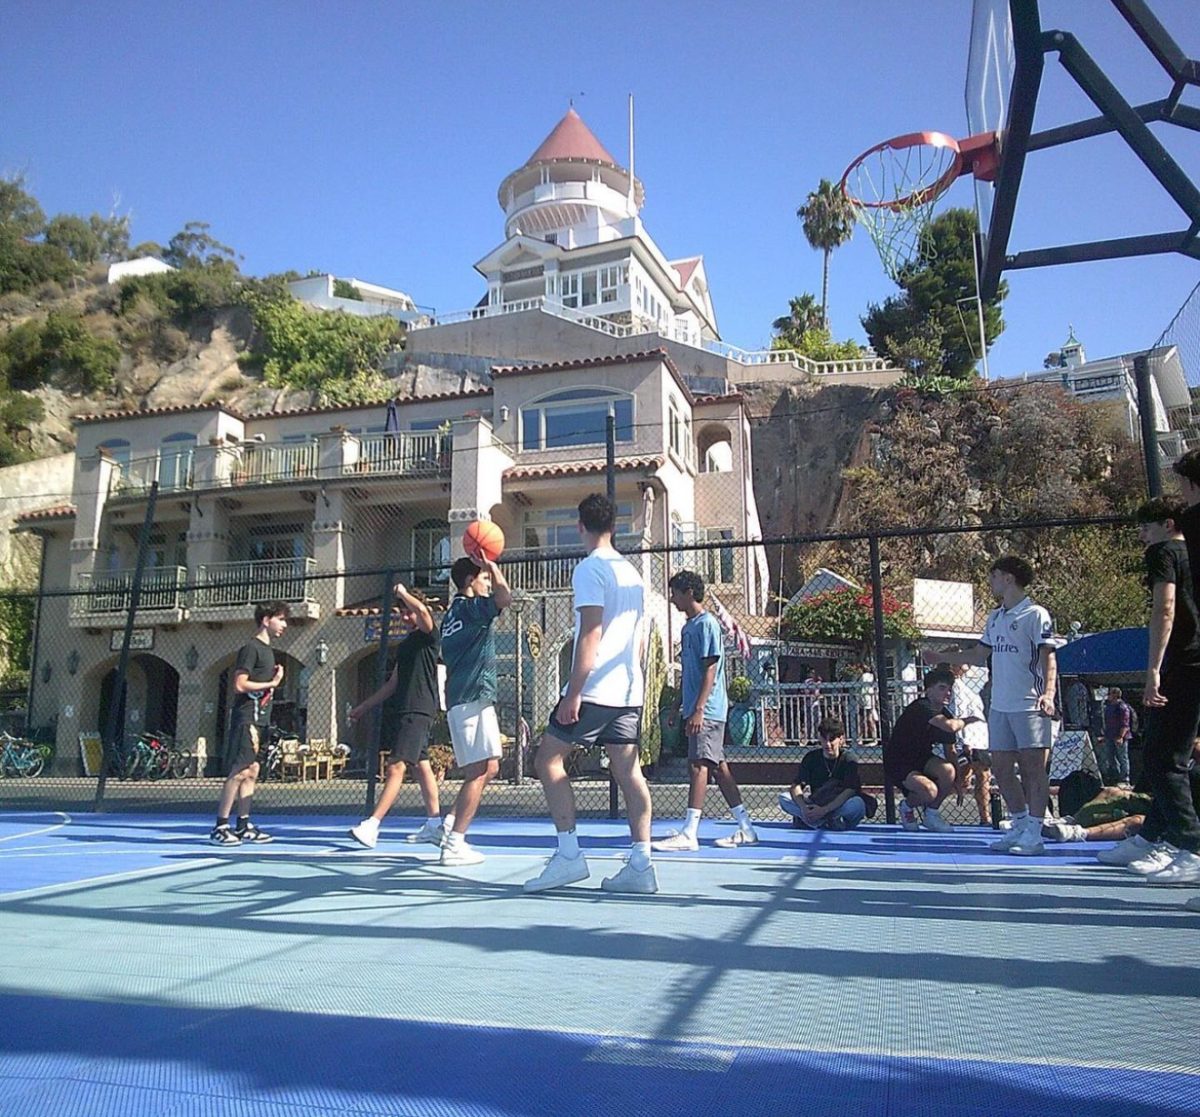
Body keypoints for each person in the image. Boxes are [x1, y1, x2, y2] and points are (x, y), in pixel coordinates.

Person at [523, 493, 656, 894]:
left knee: (547, 760)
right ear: (613, 526)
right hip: (629, 689)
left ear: (580, 526)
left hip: (595, 688)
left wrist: (573, 693)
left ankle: (568, 855)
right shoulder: (632, 573)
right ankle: (641, 864)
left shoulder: (588, 569)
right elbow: (640, 638)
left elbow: (590, 635)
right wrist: (637, 684)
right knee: (629, 772)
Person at [1099, 495, 1200, 886]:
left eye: (1148, 524)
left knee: (1164, 759)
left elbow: (1166, 608)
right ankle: (1151, 836)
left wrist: (1154, 668)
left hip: (1183, 665)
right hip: (1191, 664)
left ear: (1169, 524)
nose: (1141, 532)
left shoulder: (1164, 553)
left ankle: (1190, 845)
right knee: (1161, 752)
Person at [945, 555, 1061, 855]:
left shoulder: (1036, 615)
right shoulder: (995, 617)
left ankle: (1035, 833)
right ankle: (1021, 824)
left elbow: (1049, 657)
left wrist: (1048, 694)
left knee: (1033, 768)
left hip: (1030, 704)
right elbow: (979, 655)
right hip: (1000, 706)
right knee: (1001, 768)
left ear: (1008, 578)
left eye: (994, 575)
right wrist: (943, 658)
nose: (991, 581)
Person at [653, 570, 757, 852]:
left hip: (709, 710)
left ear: (688, 593)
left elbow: (710, 669)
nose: (672, 599)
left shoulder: (707, 624)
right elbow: (690, 671)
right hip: (696, 708)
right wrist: (677, 705)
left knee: (699, 765)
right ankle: (746, 828)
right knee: (719, 768)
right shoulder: (688, 628)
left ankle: (689, 833)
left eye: (675, 593)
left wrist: (699, 709)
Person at [347, 582, 445, 850]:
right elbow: (393, 683)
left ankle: (372, 826)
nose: (405, 616)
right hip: (408, 708)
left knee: (396, 766)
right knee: (421, 765)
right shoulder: (407, 645)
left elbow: (424, 614)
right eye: (401, 612)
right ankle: (436, 825)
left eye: (407, 612)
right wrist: (363, 707)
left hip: (418, 708)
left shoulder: (428, 635)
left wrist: (402, 592)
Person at [437, 554, 512, 867]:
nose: (487, 583)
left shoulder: (452, 613)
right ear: (470, 581)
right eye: (482, 578)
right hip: (470, 698)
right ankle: (454, 843)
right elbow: (504, 597)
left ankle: (448, 826)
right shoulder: (470, 609)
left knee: (490, 768)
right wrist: (494, 567)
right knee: (477, 772)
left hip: (468, 698)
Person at [210, 601, 289, 846]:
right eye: (280, 619)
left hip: (261, 718)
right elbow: (240, 684)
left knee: (252, 771)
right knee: (240, 770)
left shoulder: (268, 651)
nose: (284, 624)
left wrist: (273, 681)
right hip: (248, 718)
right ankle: (221, 826)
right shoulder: (251, 648)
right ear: (266, 620)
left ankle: (243, 825)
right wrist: (272, 683)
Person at [885, 667, 981, 834]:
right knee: (929, 791)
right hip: (898, 762)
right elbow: (949, 727)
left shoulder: (946, 713)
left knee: (948, 770)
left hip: (923, 759)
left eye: (950, 689)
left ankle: (931, 815)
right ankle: (907, 807)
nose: (948, 693)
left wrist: (957, 781)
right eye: (942, 688)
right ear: (928, 690)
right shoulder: (921, 707)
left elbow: (950, 751)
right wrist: (969, 719)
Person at [779, 716, 871, 830]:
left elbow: (849, 791)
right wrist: (803, 808)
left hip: (837, 805)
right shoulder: (811, 758)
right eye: (824, 739)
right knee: (783, 798)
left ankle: (815, 821)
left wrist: (824, 810)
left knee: (857, 804)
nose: (827, 744)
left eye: (832, 739)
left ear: (841, 739)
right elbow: (796, 786)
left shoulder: (849, 759)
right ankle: (821, 821)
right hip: (816, 802)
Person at [949, 663, 992, 825]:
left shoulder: (969, 683)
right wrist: (965, 741)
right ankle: (985, 816)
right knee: (978, 775)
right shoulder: (956, 686)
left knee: (975, 776)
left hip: (979, 736)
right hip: (971, 738)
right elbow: (959, 712)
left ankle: (985, 816)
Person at [1100, 687, 1134, 787]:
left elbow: (1125, 723)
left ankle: (1124, 778)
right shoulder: (1109, 707)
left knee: (1122, 757)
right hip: (1110, 735)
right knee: (1110, 757)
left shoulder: (1122, 707)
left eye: (1110, 694)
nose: (1108, 696)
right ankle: (1114, 776)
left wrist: (1121, 736)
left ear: (1115, 695)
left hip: (1119, 736)